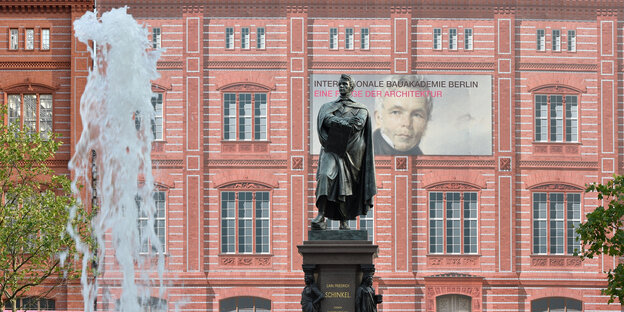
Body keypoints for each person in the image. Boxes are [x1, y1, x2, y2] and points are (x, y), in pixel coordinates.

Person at [312, 74, 377, 230]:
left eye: (345, 84)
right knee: (324, 176)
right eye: (340, 84)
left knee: (346, 186)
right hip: (332, 148)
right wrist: (344, 122)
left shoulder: (361, 109)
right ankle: (321, 215)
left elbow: (358, 124)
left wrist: (335, 120)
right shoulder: (327, 106)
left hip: (352, 153)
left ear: (351, 87)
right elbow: (324, 119)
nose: (341, 86)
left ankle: (344, 222)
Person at [373, 76, 433, 155]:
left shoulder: (426, 165)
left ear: (426, 121)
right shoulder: (358, 156)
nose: (407, 123)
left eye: (417, 115)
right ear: (379, 118)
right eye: (396, 112)